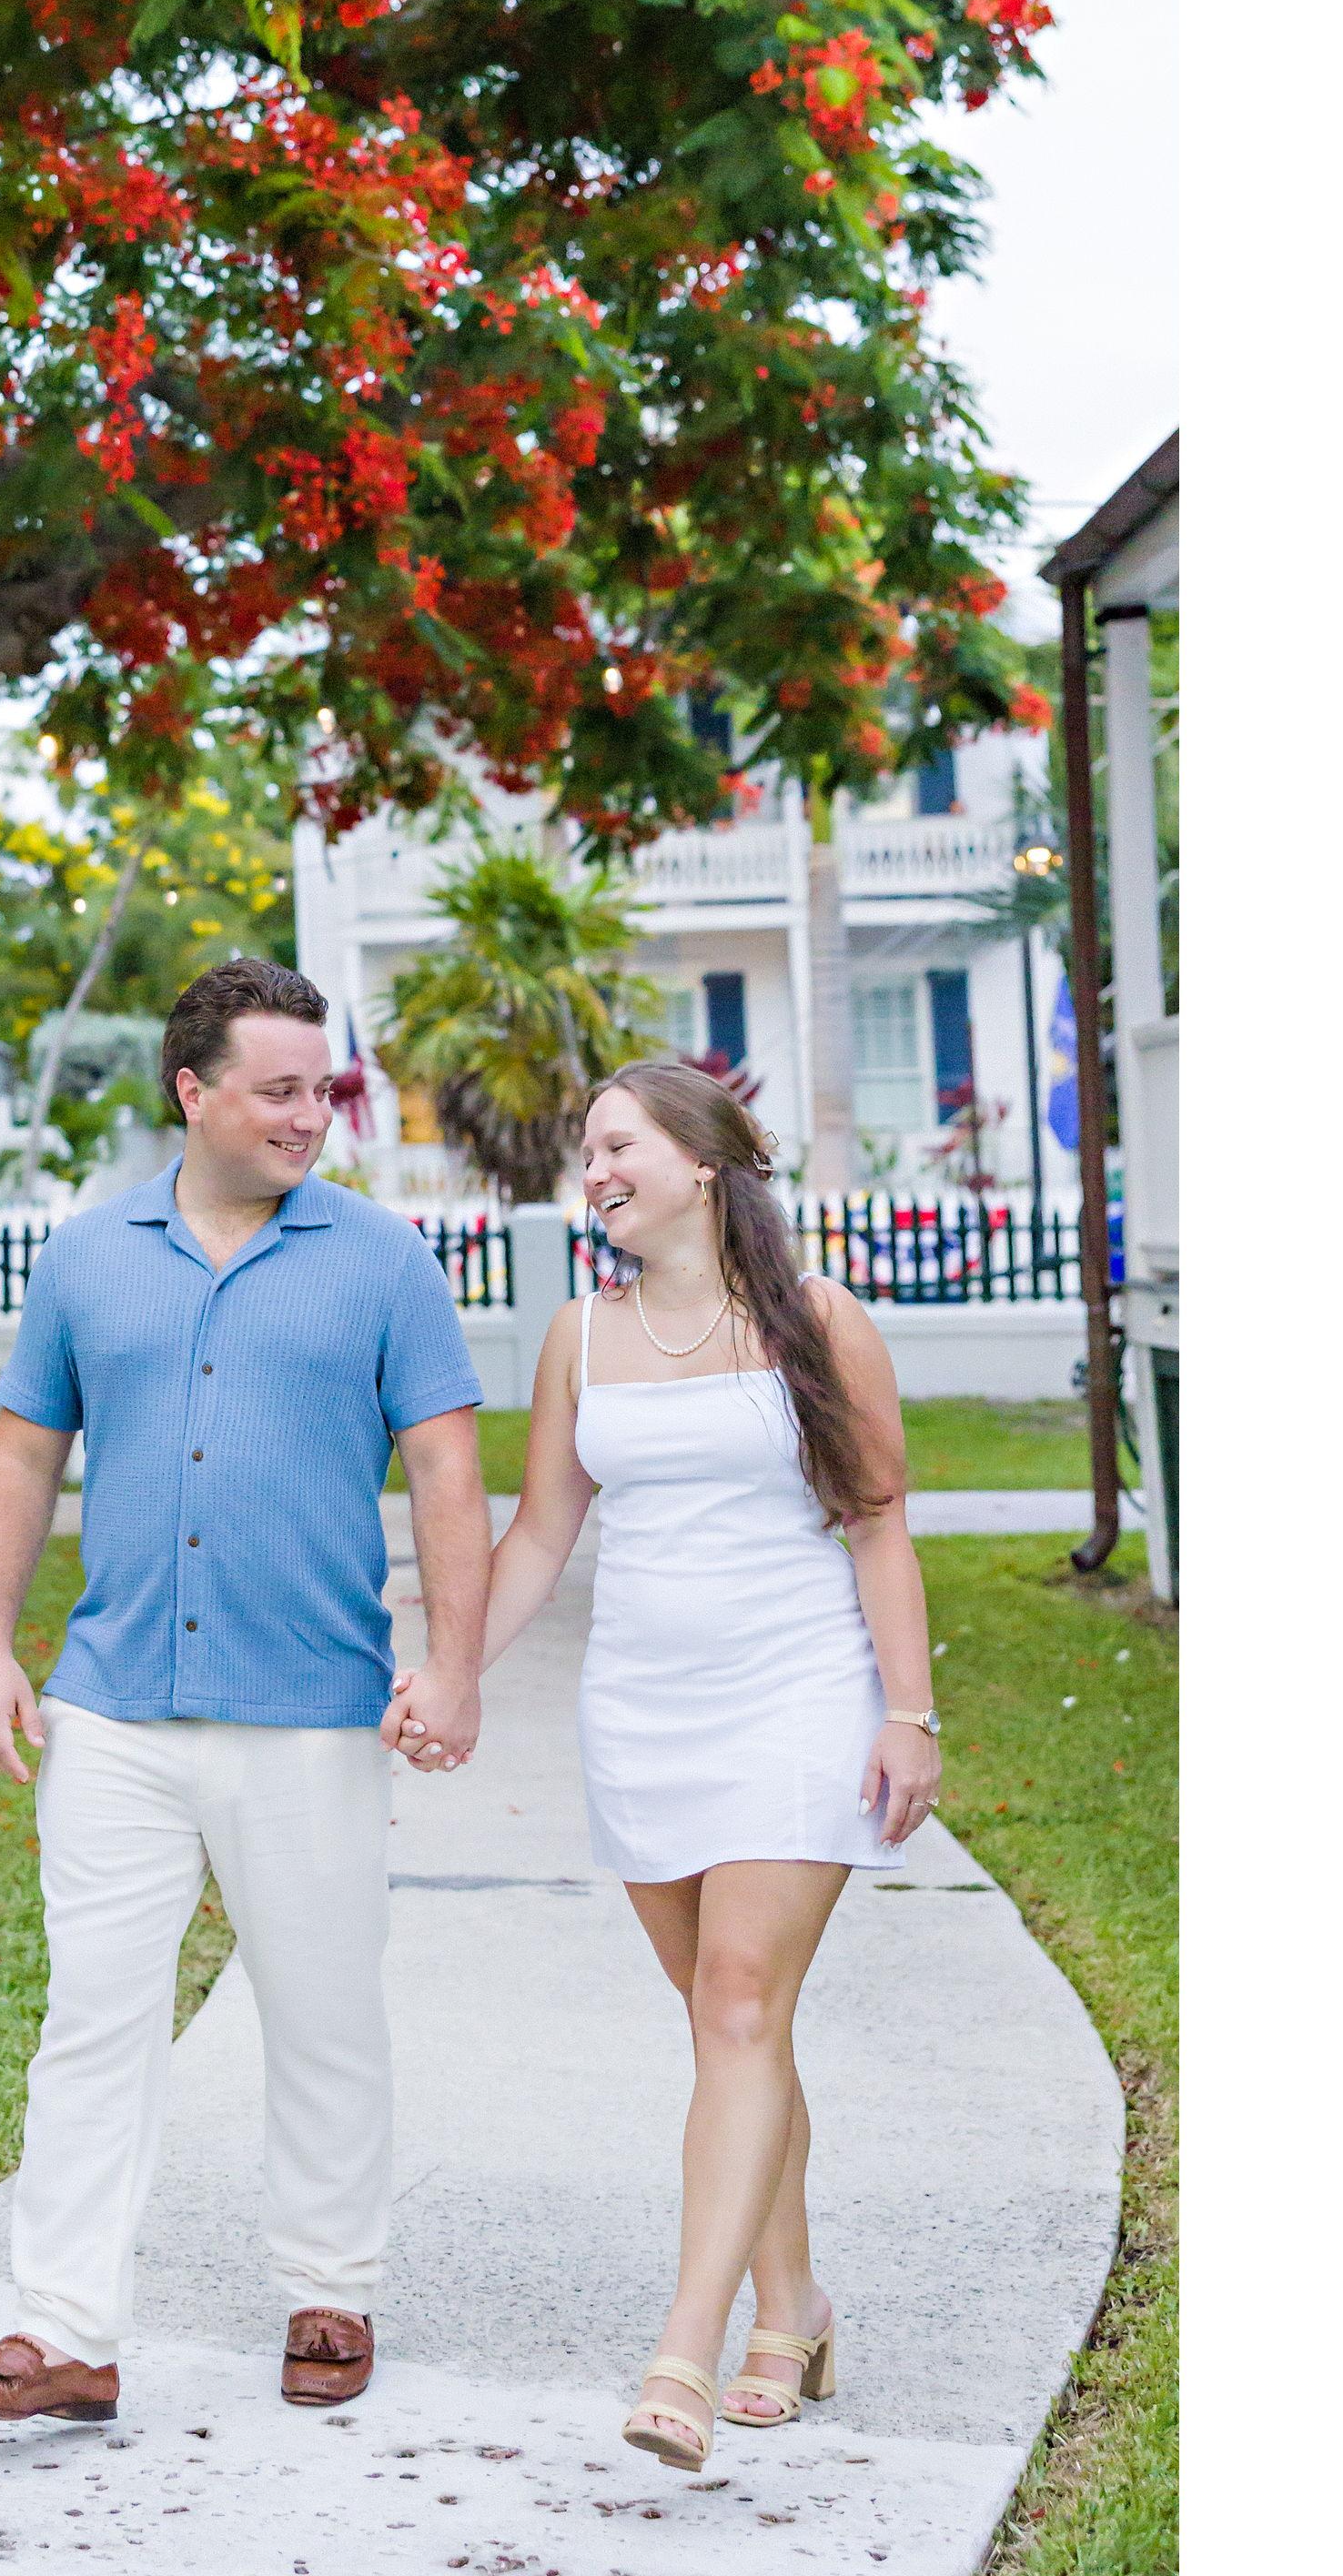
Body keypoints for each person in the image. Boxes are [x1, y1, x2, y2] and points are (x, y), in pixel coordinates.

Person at [0, 958, 491, 2429]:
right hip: (113, 1708)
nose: (312, 1115)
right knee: (92, 2020)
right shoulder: (85, 1256)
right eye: (279, 1090)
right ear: (194, 1091)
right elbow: (23, 1455)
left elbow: (446, 1469)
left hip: (311, 1709)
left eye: (323, 1089)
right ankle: (64, 2332)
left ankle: (330, 2287)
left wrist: (455, 1663)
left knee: (322, 2011)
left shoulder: (382, 1260)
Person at [427, 1059, 939, 2474]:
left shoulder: (818, 1320)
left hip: (800, 1698)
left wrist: (910, 1713)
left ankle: (685, 2355)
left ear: (704, 1161)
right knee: (734, 2032)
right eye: (586, 1153)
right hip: (644, 1715)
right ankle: (797, 2306)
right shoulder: (579, 1337)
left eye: (618, 1146)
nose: (593, 1171)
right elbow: (542, 1535)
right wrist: (456, 1667)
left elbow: (879, 1520)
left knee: (738, 2001)